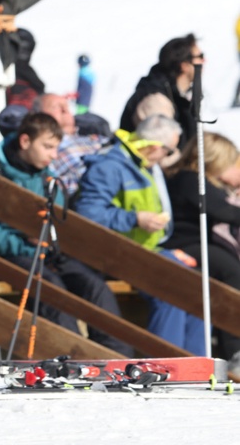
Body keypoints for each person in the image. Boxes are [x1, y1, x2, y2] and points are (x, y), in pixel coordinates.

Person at [0, 112, 132, 354]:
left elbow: (64, 222)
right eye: (47, 147)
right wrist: (27, 243)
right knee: (51, 288)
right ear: (25, 142)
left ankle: (116, 358)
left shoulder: (48, 178)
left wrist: (57, 240)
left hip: (51, 253)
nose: (54, 155)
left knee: (95, 287)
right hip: (11, 255)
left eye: (56, 148)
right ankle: (75, 359)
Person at [73, 114, 197, 350]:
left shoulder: (141, 165)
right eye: (169, 151)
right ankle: (167, 365)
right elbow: (87, 214)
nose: (167, 158)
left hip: (141, 250)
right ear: (153, 147)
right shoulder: (110, 166)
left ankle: (198, 365)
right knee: (170, 287)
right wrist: (135, 219)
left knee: (194, 285)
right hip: (113, 255)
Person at [161, 132, 240, 356]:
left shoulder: (194, 179)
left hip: (196, 242)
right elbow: (222, 210)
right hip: (185, 243)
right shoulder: (189, 179)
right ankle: (233, 347)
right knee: (232, 272)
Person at [120, 34, 204, 147]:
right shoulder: (156, 100)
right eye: (200, 56)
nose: (204, 60)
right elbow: (162, 153)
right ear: (184, 65)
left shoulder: (179, 94)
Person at [34, 92, 107, 193]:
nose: (65, 110)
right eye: (56, 107)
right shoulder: (42, 147)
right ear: (39, 116)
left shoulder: (93, 135)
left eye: (66, 106)